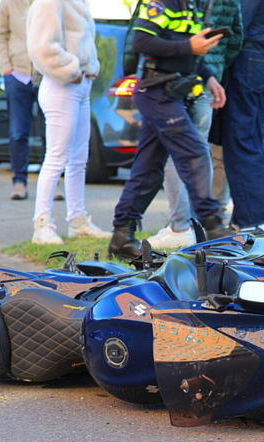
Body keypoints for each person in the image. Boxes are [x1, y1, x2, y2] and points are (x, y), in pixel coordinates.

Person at [108, 0, 233, 259]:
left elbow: (188, 52)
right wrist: (189, 47)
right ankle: (213, 226)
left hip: (172, 93)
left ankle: (122, 236)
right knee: (194, 153)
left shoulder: (194, 5)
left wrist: (209, 77)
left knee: (148, 169)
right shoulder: (164, 2)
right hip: (156, 93)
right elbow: (141, 41)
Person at [150, 0, 243, 250]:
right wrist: (215, 68)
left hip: (177, 76)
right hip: (208, 76)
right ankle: (200, 224)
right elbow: (236, 38)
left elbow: (150, 37)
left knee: (176, 152)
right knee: (200, 151)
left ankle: (181, 226)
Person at [26, 0, 111, 244]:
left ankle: (77, 221)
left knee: (78, 159)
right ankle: (42, 225)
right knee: (56, 158)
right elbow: (41, 47)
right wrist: (71, 70)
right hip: (62, 84)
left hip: (79, 84)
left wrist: (87, 68)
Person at [218, 0, 264, 231]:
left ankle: (258, 218)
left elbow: (237, 25)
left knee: (240, 143)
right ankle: (247, 217)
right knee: (251, 143)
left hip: (247, 60)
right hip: (263, 58)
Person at [0, 0, 41, 201]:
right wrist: (6, 68)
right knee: (18, 132)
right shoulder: (9, 3)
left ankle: (52, 183)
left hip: (46, 74)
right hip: (17, 75)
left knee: (51, 132)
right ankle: (19, 181)